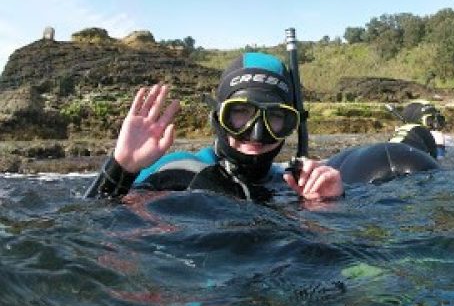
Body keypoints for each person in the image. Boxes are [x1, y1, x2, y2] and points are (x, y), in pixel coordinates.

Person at [84, 52, 343, 202]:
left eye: (275, 117)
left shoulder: (294, 184)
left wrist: (332, 205)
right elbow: (94, 231)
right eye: (240, 113)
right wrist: (122, 168)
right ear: (218, 116)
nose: (257, 133)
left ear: (291, 123)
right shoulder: (175, 173)